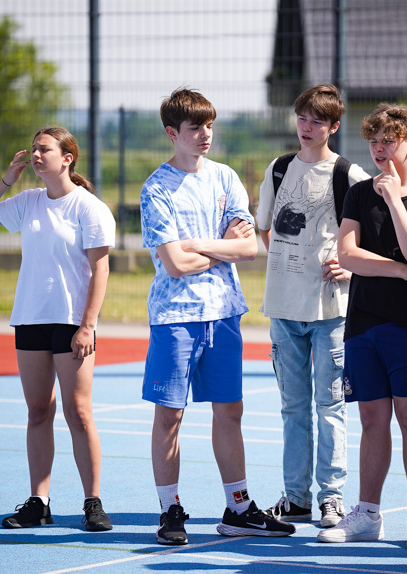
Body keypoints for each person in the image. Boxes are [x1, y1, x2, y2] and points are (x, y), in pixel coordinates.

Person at [140, 87, 295, 545]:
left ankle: (239, 508)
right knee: (170, 416)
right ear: (172, 133)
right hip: (175, 317)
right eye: (195, 128)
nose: (206, 134)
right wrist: (219, 247)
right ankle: (170, 510)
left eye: (209, 125)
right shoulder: (156, 188)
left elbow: (251, 246)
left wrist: (196, 244)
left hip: (224, 313)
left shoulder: (226, 178)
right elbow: (174, 265)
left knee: (231, 410)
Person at [0, 125, 116, 532]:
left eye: (43, 149)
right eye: (32, 149)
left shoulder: (89, 207)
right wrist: (6, 180)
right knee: (37, 412)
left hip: (71, 323)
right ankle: (40, 502)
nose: (34, 155)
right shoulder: (28, 201)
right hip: (30, 319)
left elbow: (101, 268)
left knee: (78, 413)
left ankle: (93, 502)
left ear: (66, 158)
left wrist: (88, 326)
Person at [317, 103, 407, 548]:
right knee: (372, 419)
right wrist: (398, 272)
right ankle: (368, 514)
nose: (378, 149)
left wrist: (394, 198)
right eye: (373, 141)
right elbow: (348, 255)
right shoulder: (358, 193)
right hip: (363, 324)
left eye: (387, 141)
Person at [256, 84, 371, 527]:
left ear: (333, 126)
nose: (307, 127)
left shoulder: (348, 174)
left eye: (317, 121)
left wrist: (351, 266)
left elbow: (370, 237)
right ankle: (296, 496)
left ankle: (332, 498)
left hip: (330, 312)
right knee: (292, 408)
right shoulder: (279, 169)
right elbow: (265, 229)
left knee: (330, 406)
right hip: (283, 309)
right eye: (302, 118)